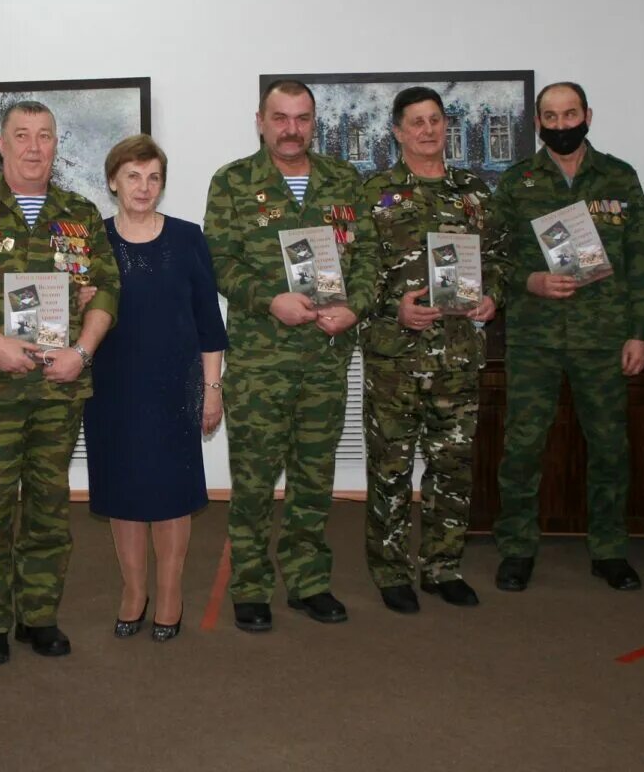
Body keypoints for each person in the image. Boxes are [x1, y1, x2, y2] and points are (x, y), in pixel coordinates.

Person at [0, 101, 120, 664]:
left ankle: (38, 616)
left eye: (44, 136)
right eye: (22, 135)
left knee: (48, 506)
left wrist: (82, 354)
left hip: (58, 388)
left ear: (55, 144)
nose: (34, 147)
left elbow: (106, 289)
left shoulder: (79, 213)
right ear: (1, 142)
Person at [203, 79, 377, 632]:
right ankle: (249, 585)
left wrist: (358, 307)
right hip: (260, 361)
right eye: (280, 117)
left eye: (302, 118)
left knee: (313, 476)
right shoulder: (232, 182)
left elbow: (371, 257)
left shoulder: (345, 181)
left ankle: (308, 580)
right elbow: (218, 263)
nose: (291, 128)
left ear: (314, 122)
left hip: (326, 356)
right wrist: (269, 299)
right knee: (253, 480)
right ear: (261, 121)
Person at [487, 81, 644, 592]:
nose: (562, 125)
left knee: (609, 447)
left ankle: (609, 550)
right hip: (535, 335)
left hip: (602, 336)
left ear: (587, 115)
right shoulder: (517, 182)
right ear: (538, 123)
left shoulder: (620, 178)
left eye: (570, 114)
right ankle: (516, 548)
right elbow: (495, 256)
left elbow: (642, 261)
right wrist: (529, 281)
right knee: (521, 447)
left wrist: (639, 333)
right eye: (551, 117)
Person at [359, 88, 508, 614]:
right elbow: (355, 274)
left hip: (459, 355)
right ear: (397, 132)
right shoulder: (374, 194)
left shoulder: (475, 194)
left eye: (436, 121)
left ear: (447, 127)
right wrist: (391, 309)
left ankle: (443, 567)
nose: (428, 131)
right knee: (391, 468)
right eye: (416, 123)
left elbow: (500, 260)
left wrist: (494, 296)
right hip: (395, 358)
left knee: (453, 466)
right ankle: (391, 569)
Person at [83, 135, 227, 643]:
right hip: (111, 386)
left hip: (174, 385)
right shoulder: (91, 241)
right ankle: (133, 591)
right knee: (122, 490)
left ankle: (169, 593)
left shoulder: (188, 238)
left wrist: (212, 389)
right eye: (133, 176)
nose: (144, 187)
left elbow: (209, 325)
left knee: (170, 493)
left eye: (154, 177)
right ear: (113, 181)